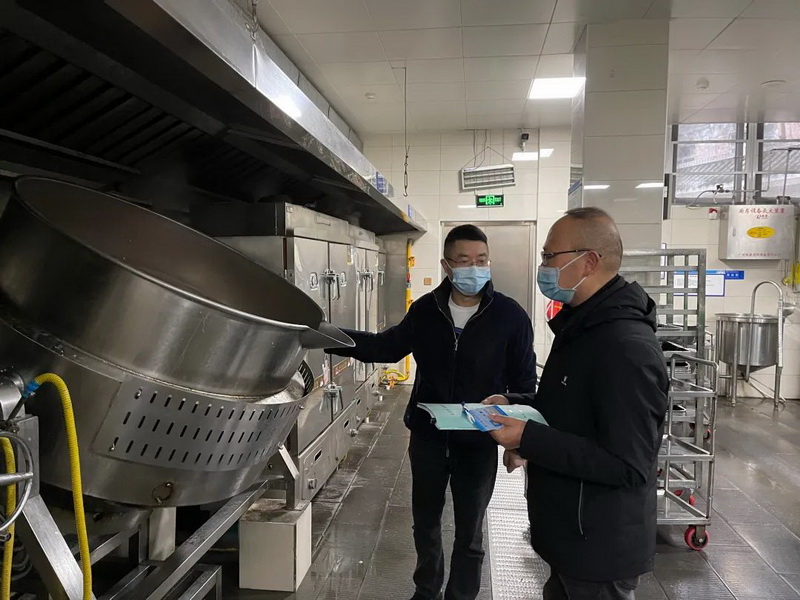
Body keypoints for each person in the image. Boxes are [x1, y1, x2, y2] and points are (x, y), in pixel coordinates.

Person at [328, 224, 537, 600]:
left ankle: (461, 595)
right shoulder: (426, 311)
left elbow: (526, 386)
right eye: (464, 261)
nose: (474, 268)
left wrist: (514, 430)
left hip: (478, 440)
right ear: (446, 265)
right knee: (425, 524)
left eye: (481, 260)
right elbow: (384, 347)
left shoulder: (510, 316)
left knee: (470, 532)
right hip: (428, 437)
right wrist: (327, 336)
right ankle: (426, 591)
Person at [484, 207, 668, 600]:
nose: (544, 267)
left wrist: (529, 438)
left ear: (589, 261)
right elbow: (570, 405)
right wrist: (514, 404)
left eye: (550, 256)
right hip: (571, 537)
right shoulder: (583, 327)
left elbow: (628, 464)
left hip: (599, 548)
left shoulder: (625, 347)